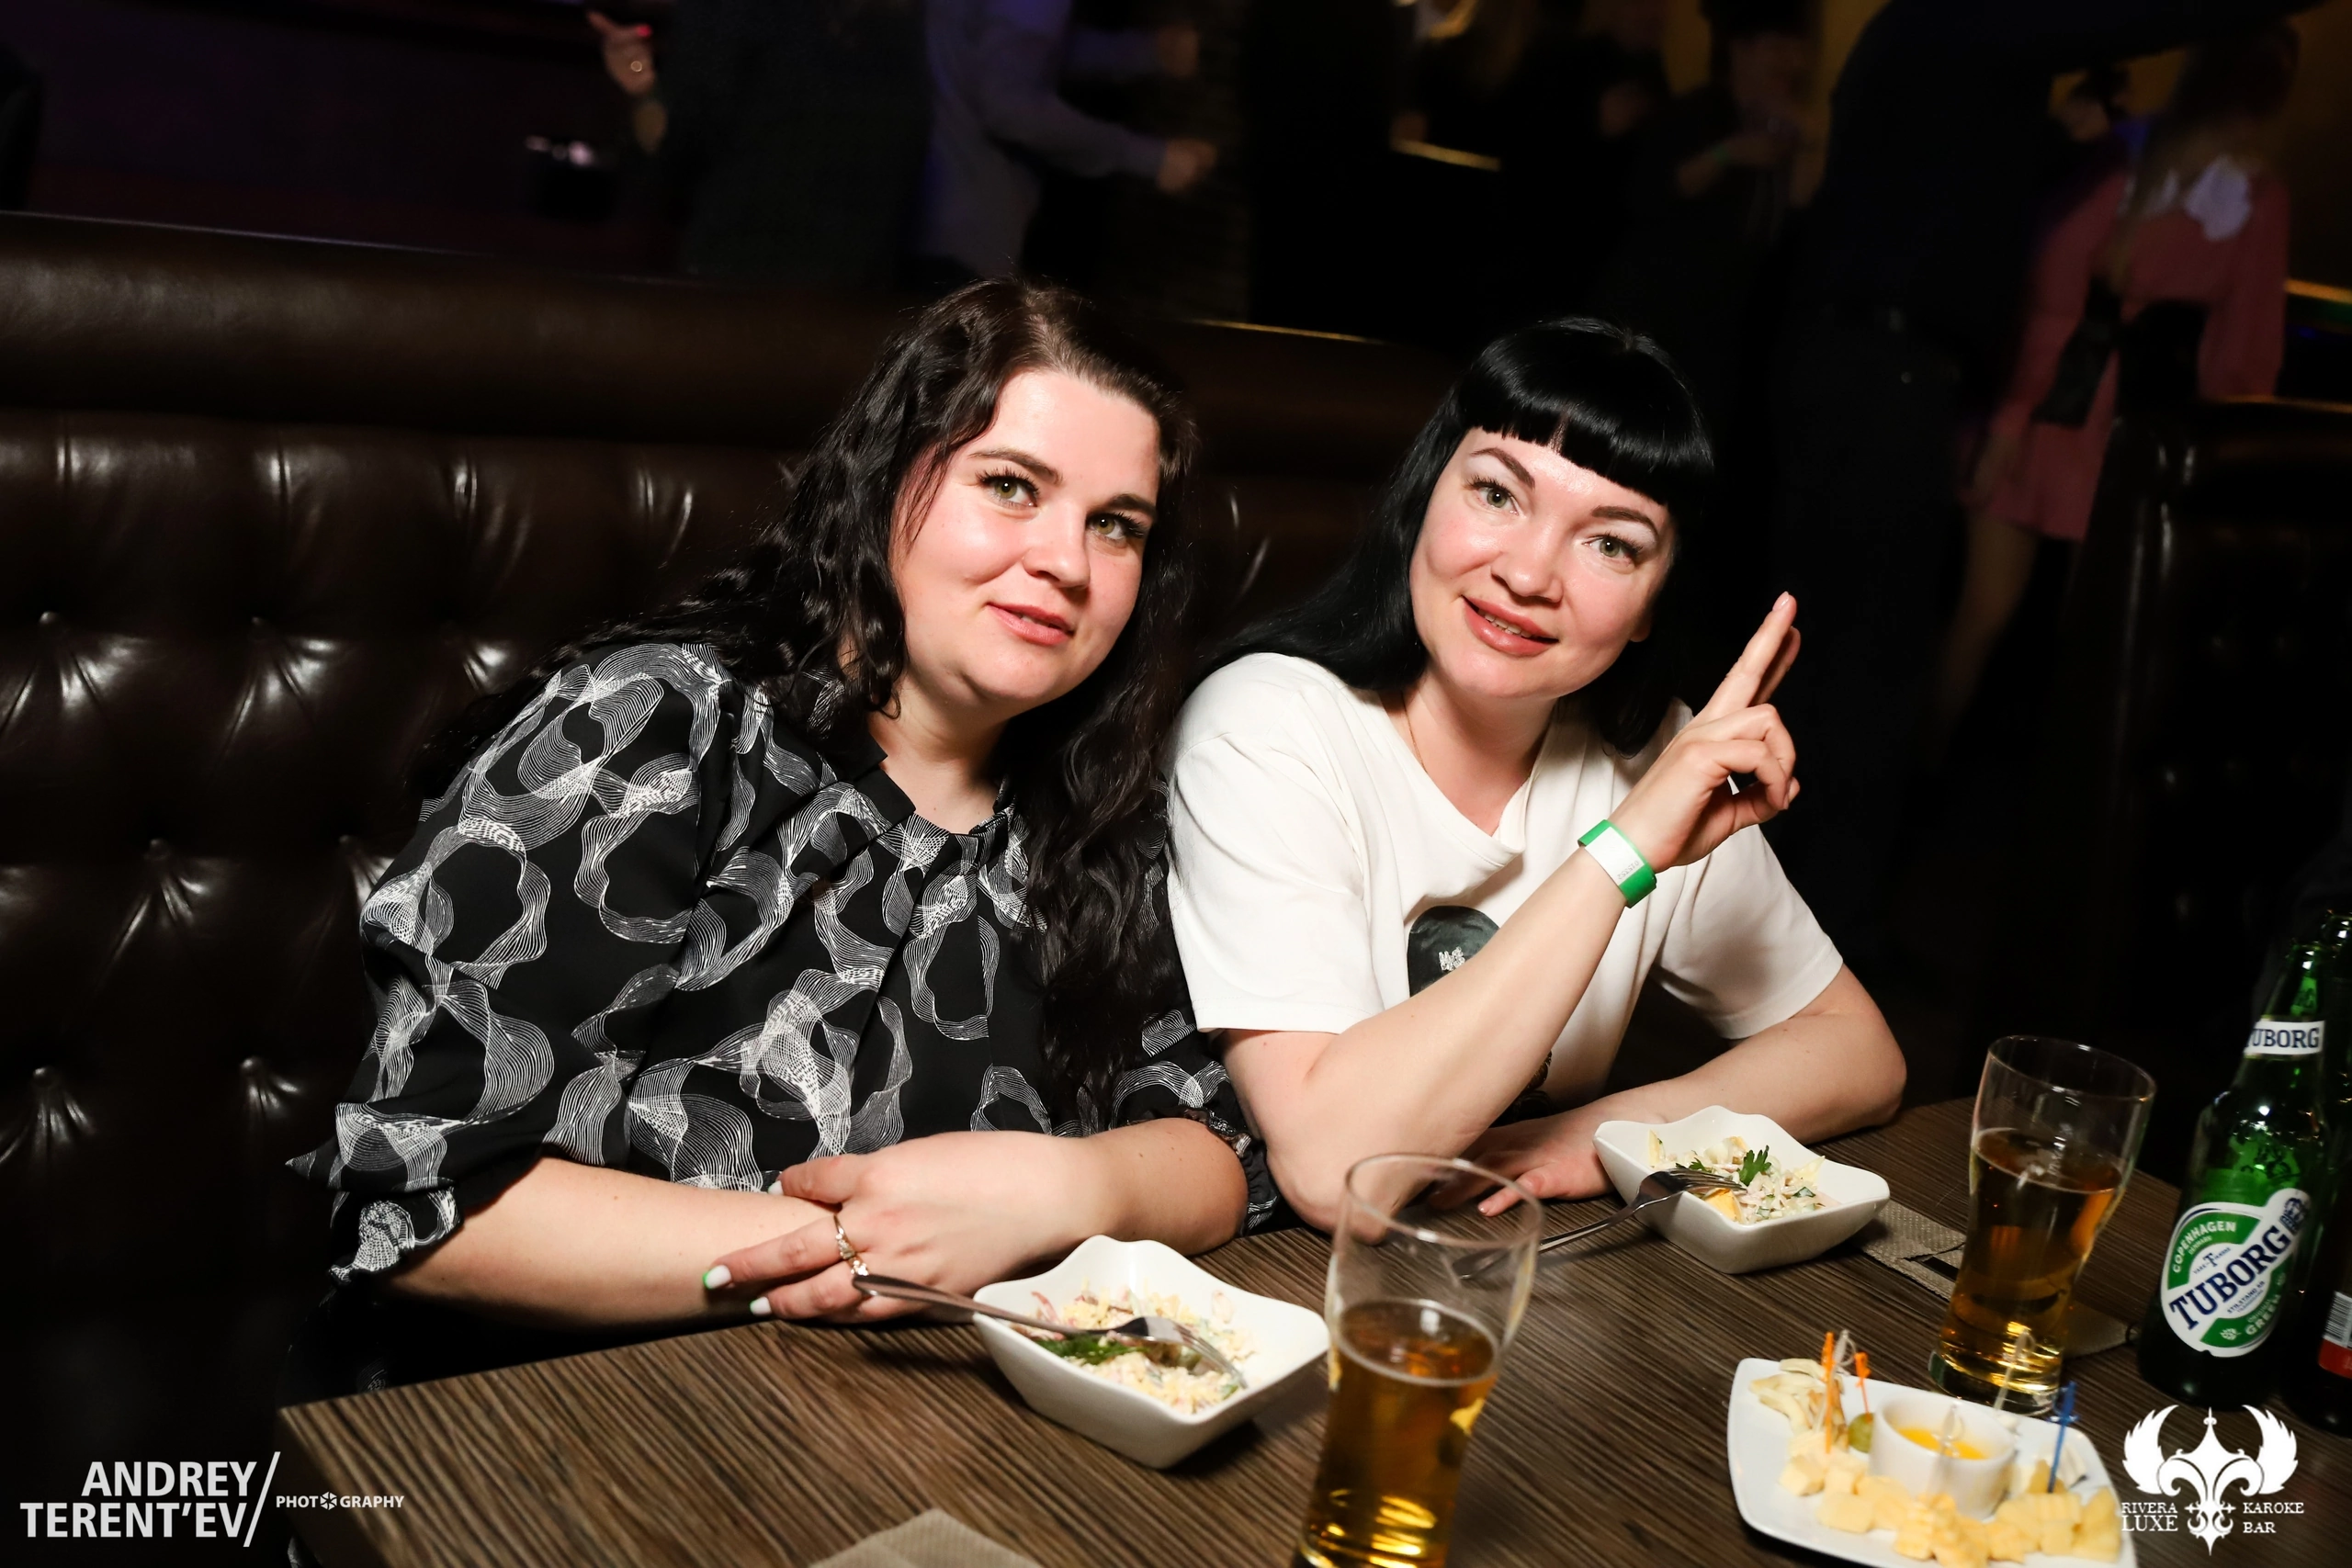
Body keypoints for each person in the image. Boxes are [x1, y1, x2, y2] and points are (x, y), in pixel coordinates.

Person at [287, 281, 1274, 1395]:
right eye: (1010, 486)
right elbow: (430, 1203)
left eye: (1116, 525)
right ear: (885, 482)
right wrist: (867, 1247)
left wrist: (1071, 1191)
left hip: (912, 1428)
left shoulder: (1108, 817)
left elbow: (1226, 1151)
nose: (1066, 562)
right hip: (547, 1413)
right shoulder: (659, 727)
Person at [1164, 320, 1906, 1228]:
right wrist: (1625, 850)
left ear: (1651, 605)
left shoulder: (1655, 760)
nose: (1527, 574)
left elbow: (1857, 1055)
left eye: (1612, 544)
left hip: (1495, 1263)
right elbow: (1332, 1172)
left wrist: (1604, 1135)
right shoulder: (1265, 725)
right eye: (1497, 494)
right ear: (1424, 498)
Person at [1759, 0, 2315, 968]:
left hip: (1911, 378)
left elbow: (1970, 191)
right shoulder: (1965, 27)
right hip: (1913, 380)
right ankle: (1823, 928)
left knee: (1858, 649)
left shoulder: (1934, 44)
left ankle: (1807, 913)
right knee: (1875, 657)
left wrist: (2059, 149)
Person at [1926, 26, 2295, 765]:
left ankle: (2046, 802)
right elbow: (2049, 296)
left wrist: (2213, 458)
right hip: (2049, 406)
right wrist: (2007, 423)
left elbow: (2243, 350)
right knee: (1988, 614)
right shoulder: (2126, 156)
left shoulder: (2251, 195)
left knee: (2089, 635)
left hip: (2127, 422)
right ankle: (1914, 780)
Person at [1588, 0, 1810, 673]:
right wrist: (1731, 152)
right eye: (1775, 43)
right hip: (1657, 335)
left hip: (1725, 348)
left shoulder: (1783, 129)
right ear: (1741, 48)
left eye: (1795, 46)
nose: (1790, 60)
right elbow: (1651, 193)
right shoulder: (1698, 113)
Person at [587, 5, 930, 288]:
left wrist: (646, 93)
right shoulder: (906, 24)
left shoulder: (737, 16)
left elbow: (672, 152)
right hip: (857, 296)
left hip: (747, 288)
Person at [917, 0, 1217, 285]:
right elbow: (1012, 110)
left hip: (935, 213)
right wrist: (1149, 158)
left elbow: (1018, 54)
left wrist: (1147, 52)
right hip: (965, 233)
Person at [1497, 0, 1672, 320]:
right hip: (1550, 256)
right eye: (1641, 2)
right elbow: (1523, 153)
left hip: (1613, 268)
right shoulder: (1563, 61)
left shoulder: (1655, 74)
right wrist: (1592, 126)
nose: (1653, 12)